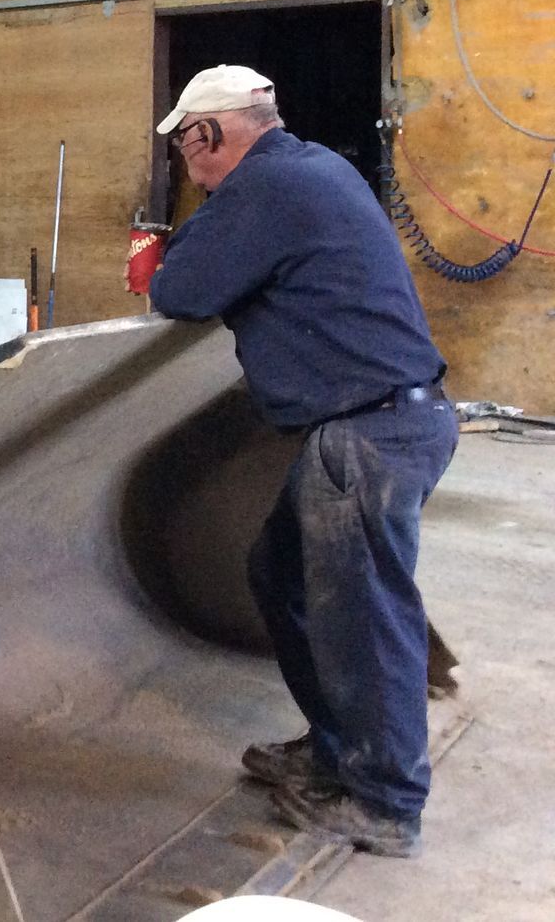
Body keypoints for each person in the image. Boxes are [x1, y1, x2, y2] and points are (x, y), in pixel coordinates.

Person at [148, 64, 457, 858]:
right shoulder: (317, 168)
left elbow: (179, 289)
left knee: (362, 619)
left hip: (367, 436)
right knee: (280, 575)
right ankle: (336, 749)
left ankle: (386, 802)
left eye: (187, 150)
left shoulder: (263, 189)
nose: (190, 168)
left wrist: (176, 243)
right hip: (392, 425)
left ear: (211, 134)